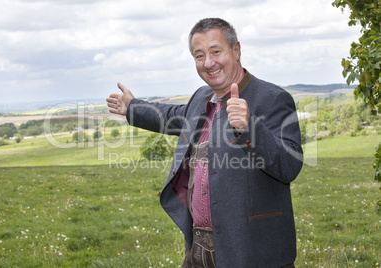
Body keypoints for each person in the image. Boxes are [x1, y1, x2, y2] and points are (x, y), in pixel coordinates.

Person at [107, 18, 303, 268]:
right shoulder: (201, 97)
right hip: (200, 250)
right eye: (199, 56)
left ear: (237, 50)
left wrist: (250, 127)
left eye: (216, 51)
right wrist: (132, 108)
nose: (208, 63)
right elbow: (172, 116)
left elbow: (289, 166)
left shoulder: (273, 99)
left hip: (252, 252)